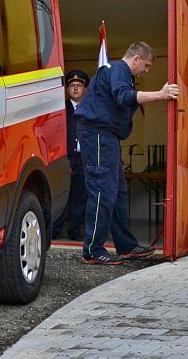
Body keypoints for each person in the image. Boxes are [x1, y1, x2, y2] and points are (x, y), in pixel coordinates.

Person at [75, 42, 180, 265]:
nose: (146, 71)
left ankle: (126, 246)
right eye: (147, 65)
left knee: (118, 192)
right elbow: (124, 96)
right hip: (98, 135)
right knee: (103, 190)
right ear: (136, 59)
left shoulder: (117, 72)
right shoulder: (119, 69)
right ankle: (92, 251)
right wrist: (161, 95)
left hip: (106, 137)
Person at [52, 69, 89, 240]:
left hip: (83, 158)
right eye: (72, 85)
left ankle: (75, 230)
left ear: (85, 89)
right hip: (65, 158)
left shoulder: (90, 108)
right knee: (61, 194)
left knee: (80, 196)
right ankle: (55, 230)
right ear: (67, 89)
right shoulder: (61, 109)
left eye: (79, 85)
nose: (75, 88)